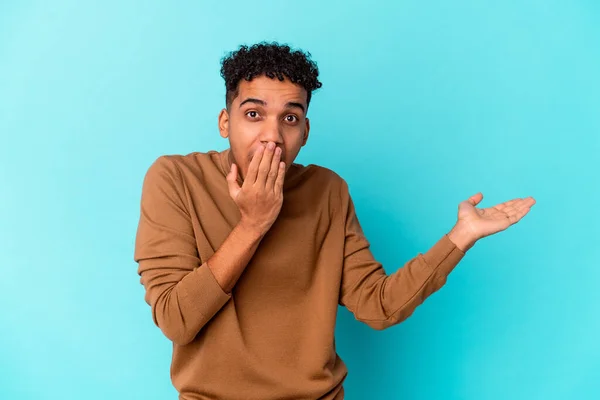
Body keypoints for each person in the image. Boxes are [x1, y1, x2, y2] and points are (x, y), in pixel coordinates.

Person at [133, 42, 536, 400]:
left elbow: (379, 306)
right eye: (253, 113)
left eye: (289, 118)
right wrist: (254, 224)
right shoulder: (176, 180)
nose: (271, 135)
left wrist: (460, 236)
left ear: (305, 131)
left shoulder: (327, 190)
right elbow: (176, 320)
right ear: (225, 122)